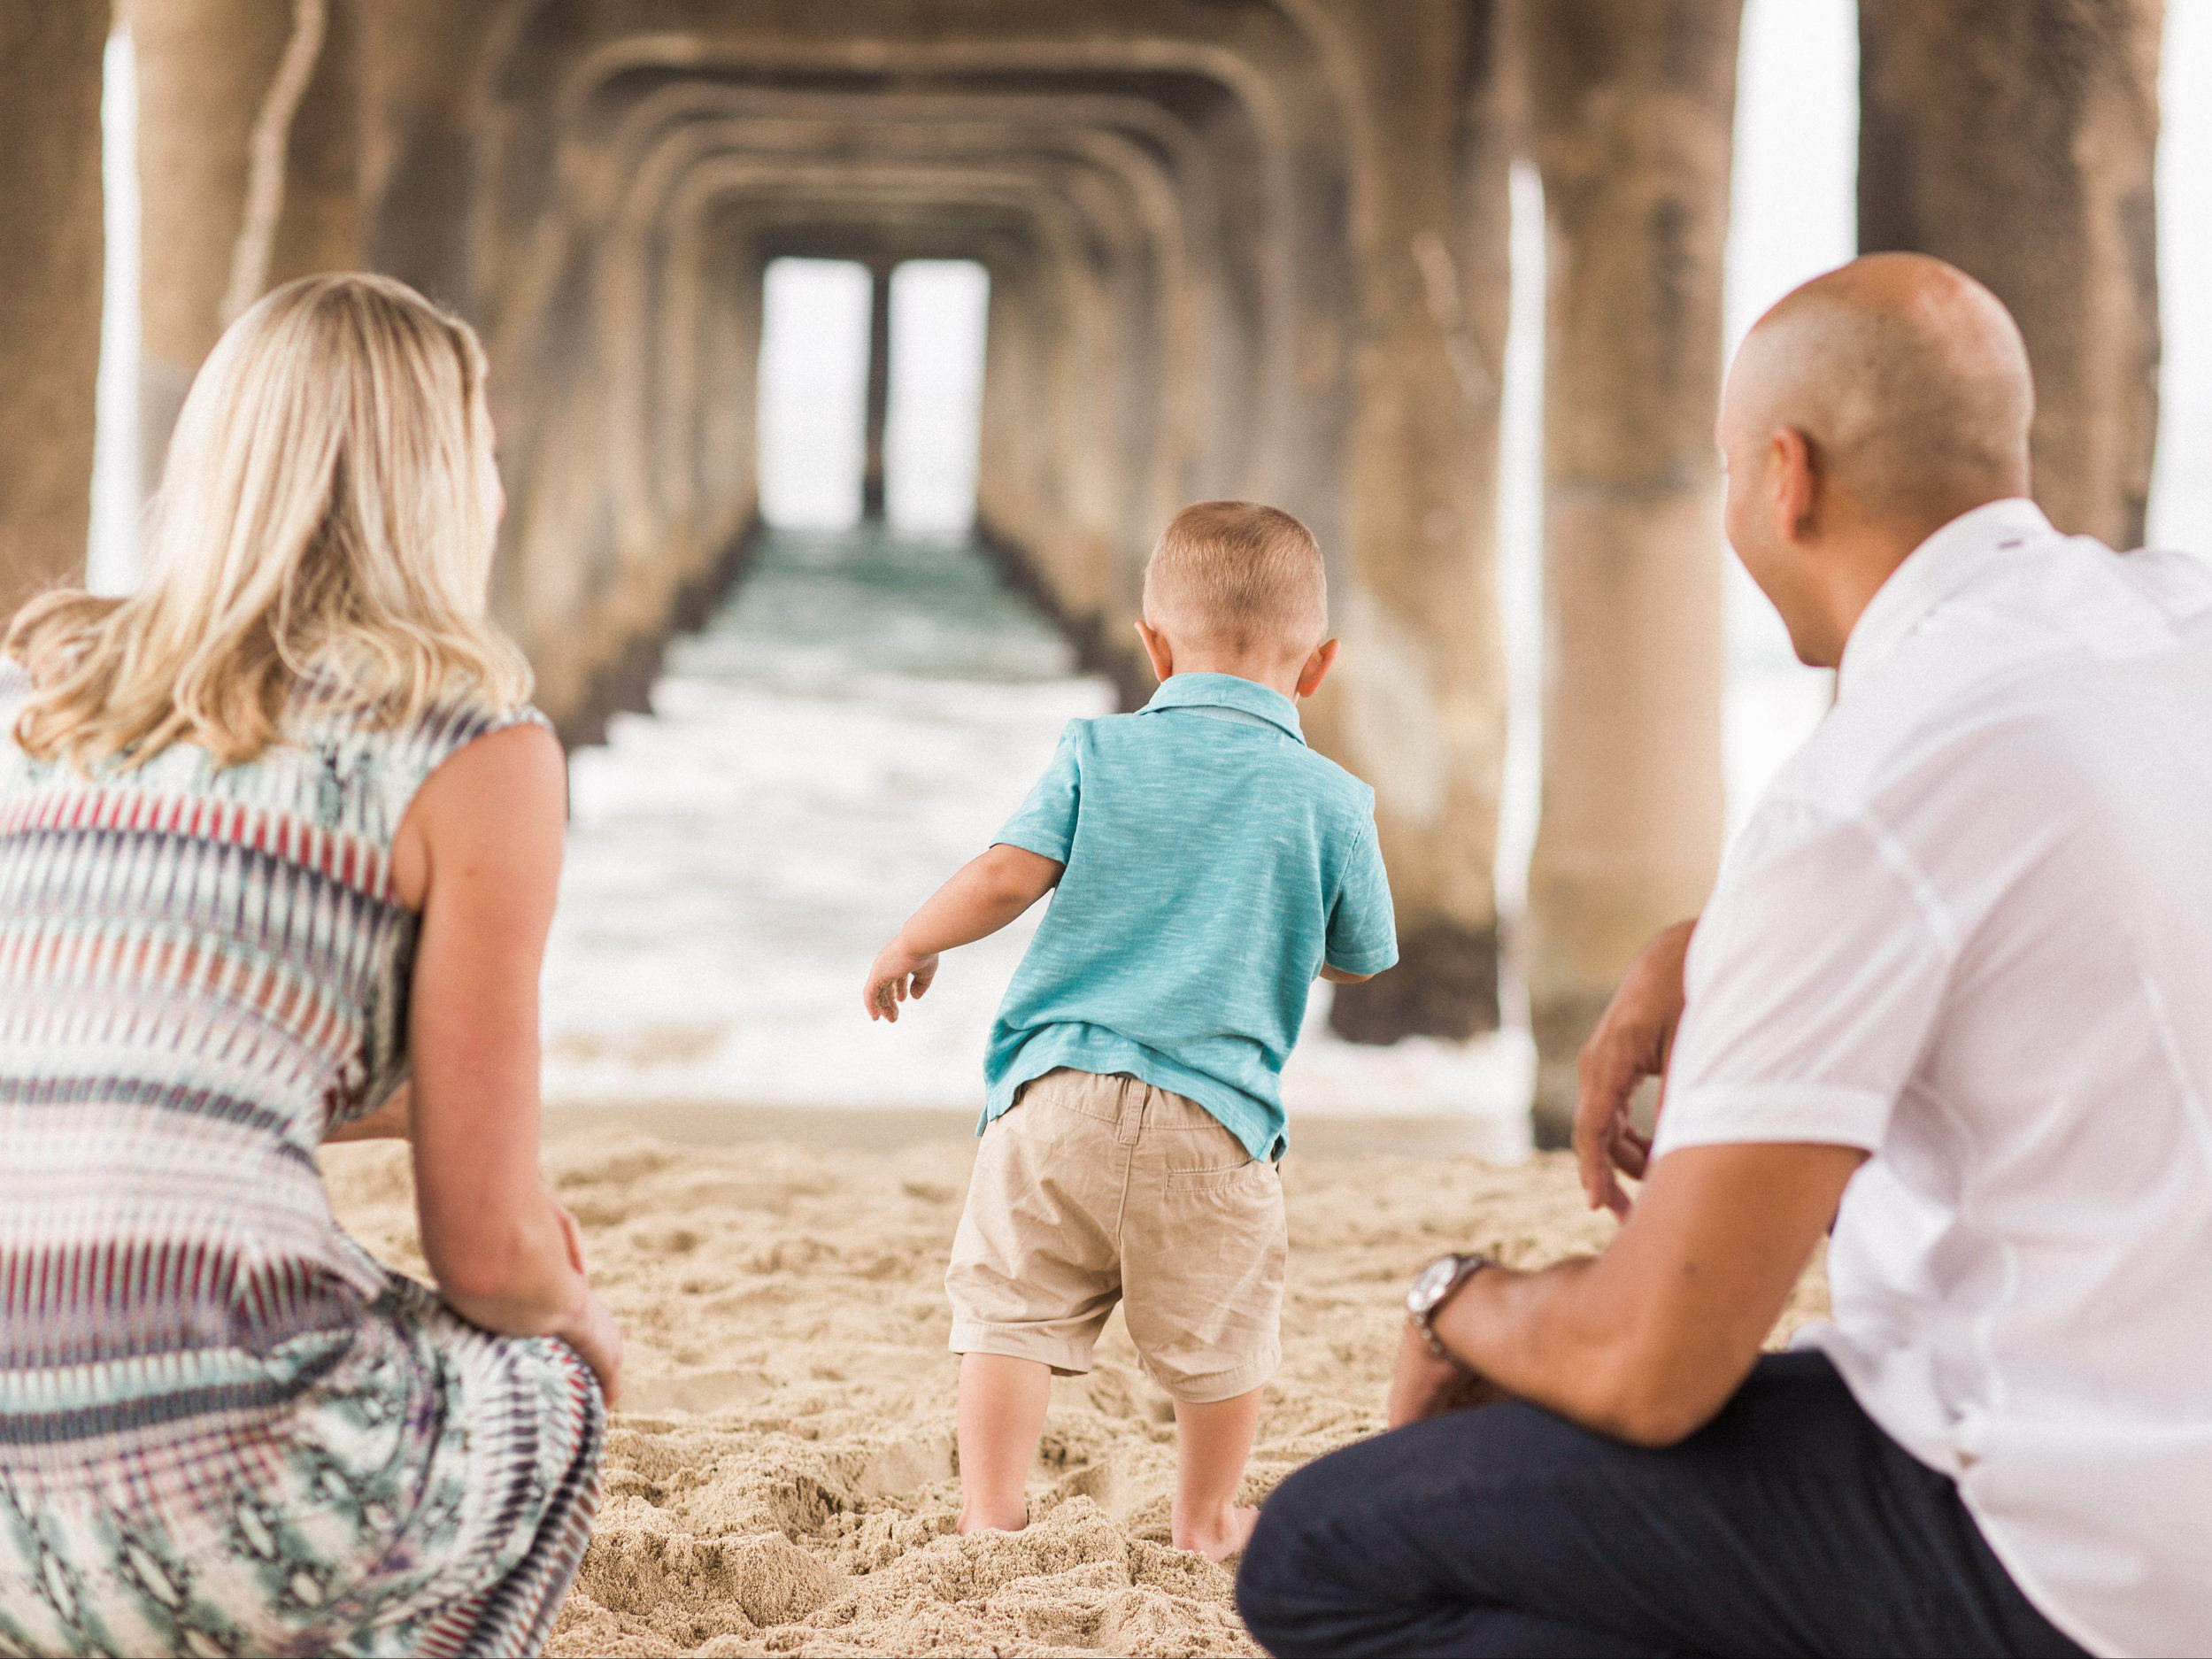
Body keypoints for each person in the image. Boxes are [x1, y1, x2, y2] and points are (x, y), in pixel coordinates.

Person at [1236, 252, 2212, 1658]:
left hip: (2094, 1554)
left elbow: (1649, 1367)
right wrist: (1723, 944)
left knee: (1328, 1548)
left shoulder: (1859, 789)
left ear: (1783, 476)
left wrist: (1454, 1301)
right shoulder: (2170, 627)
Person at [0, 274, 622, 1658]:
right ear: (447, 483)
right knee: (546, 1374)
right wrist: (579, 1314)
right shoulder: (471, 752)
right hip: (215, 1502)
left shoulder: (42, 705)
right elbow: (488, 1250)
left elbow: (126, 1056)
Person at [863, 500, 1398, 1561]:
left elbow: (1008, 873)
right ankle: (1201, 1518)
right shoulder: (1334, 800)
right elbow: (1358, 955)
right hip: (1215, 1122)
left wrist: (911, 940)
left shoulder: (1095, 750)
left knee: (1010, 1307)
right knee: (1221, 1336)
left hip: (1055, 1096)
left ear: (1151, 644)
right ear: (1320, 664)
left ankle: (991, 1510)